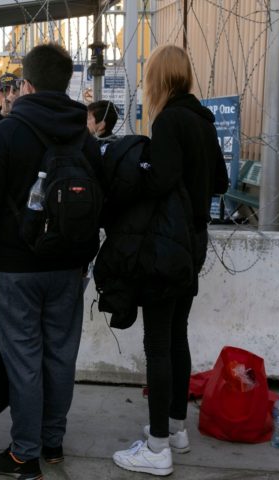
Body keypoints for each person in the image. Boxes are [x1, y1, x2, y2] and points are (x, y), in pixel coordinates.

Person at [0, 44, 102, 480]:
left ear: (26, 83)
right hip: (70, 267)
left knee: (23, 358)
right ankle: (52, 442)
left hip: (17, 266)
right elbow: (101, 202)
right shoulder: (84, 136)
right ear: (67, 83)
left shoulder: (8, 131)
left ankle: (25, 454)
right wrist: (86, 256)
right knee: (60, 355)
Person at [104, 45, 229, 476]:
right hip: (193, 242)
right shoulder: (202, 120)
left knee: (157, 343)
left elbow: (160, 178)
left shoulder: (170, 120)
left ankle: (157, 448)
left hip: (165, 245)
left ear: (159, 78)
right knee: (176, 336)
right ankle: (176, 427)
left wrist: (135, 170)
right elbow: (221, 180)